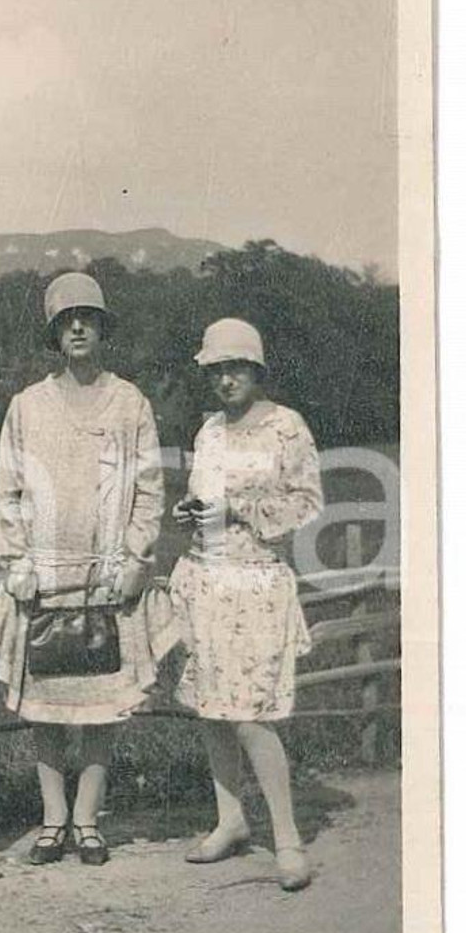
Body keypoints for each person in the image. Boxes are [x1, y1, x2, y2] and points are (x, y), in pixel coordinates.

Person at [0, 272, 164, 866]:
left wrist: (135, 558)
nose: (77, 327)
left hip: (108, 574)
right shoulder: (27, 407)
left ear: (102, 327)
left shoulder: (130, 402)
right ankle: (53, 818)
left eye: (87, 317)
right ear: (54, 334)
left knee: (104, 700)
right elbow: (7, 491)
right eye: (66, 320)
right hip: (45, 573)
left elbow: (150, 488)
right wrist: (16, 561)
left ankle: (88, 819)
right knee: (48, 704)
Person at [168, 318, 324, 892]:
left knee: (250, 714)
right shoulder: (209, 431)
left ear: (256, 370)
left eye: (235, 368)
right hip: (208, 578)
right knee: (213, 708)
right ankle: (230, 820)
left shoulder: (287, 428)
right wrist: (192, 510)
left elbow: (307, 502)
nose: (225, 380)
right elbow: (203, 494)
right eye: (216, 371)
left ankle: (287, 838)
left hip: (257, 583)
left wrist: (238, 508)